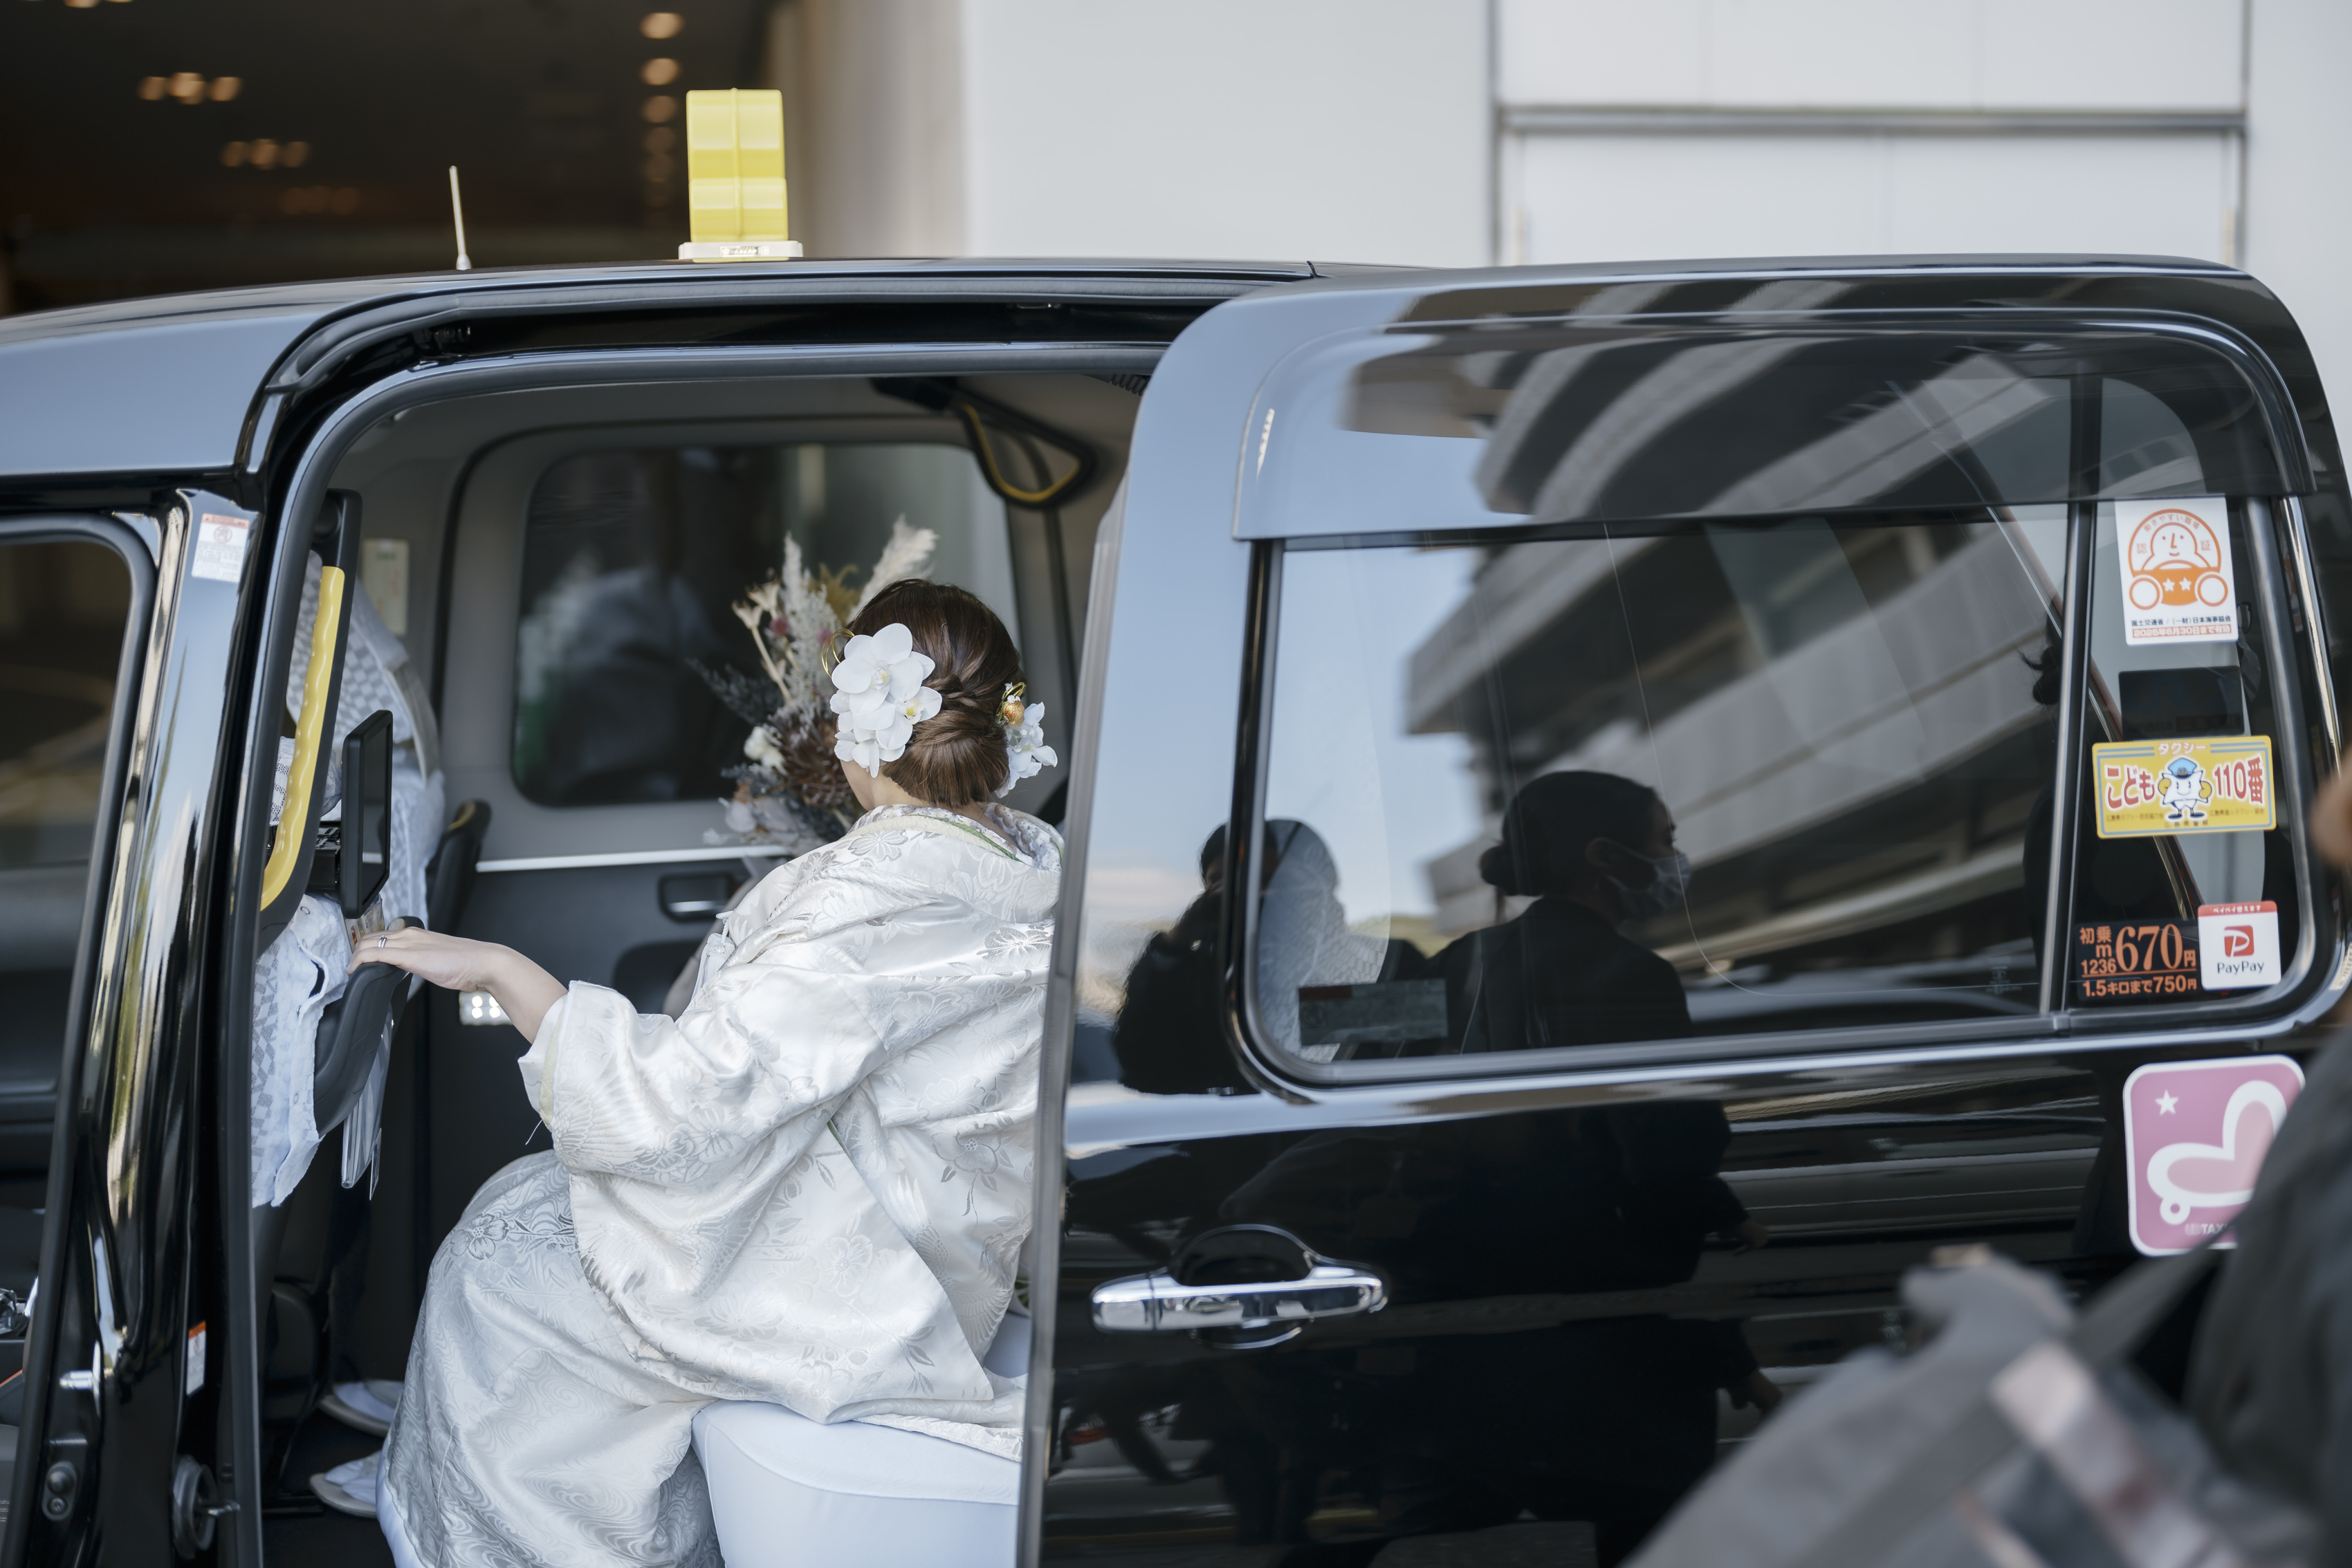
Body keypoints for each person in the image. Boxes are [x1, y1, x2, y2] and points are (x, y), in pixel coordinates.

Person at [342, 580, 1062, 1567]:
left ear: (859, 727)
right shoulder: (1028, 856)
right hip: (943, 1248)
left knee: (497, 1268)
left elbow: (678, 1110)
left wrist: (502, 970)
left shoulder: (871, 892)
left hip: (860, 1280)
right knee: (527, 1206)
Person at [1440, 770, 1694, 1053]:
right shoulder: (1639, 973)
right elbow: (1665, 1079)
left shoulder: (1458, 957)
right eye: (1668, 841)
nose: (1677, 857)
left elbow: (1407, 1048)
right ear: (1605, 856)